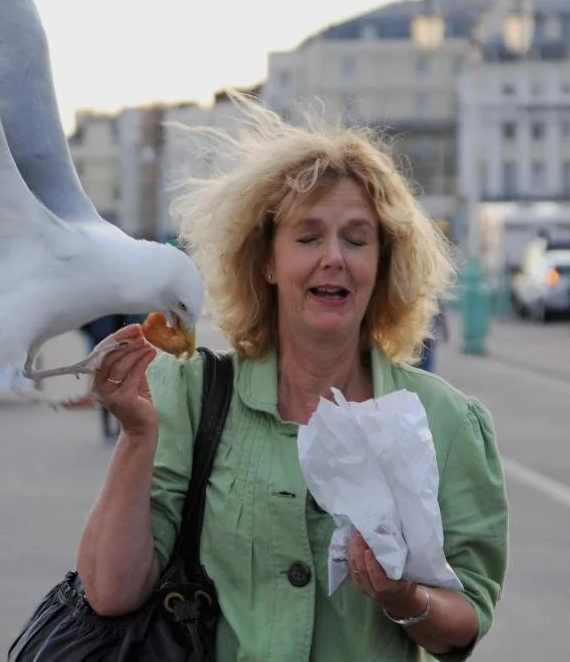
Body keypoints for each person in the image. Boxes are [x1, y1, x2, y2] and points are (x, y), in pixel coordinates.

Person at [75, 107, 508, 661]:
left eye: (357, 239)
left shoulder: (442, 420)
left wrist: (403, 598)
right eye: (307, 238)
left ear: (382, 263)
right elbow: (111, 592)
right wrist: (136, 435)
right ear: (267, 263)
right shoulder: (189, 392)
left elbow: (464, 622)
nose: (334, 258)